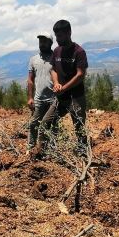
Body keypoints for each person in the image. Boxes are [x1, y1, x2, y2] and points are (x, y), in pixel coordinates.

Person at [43, 19, 89, 155]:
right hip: (61, 96)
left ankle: (83, 154)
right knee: (46, 122)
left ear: (69, 33)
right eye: (56, 36)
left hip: (76, 96)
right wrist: (57, 83)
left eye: (60, 36)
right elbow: (53, 70)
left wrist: (65, 87)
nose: (57, 39)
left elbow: (80, 75)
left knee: (79, 126)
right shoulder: (57, 51)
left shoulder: (79, 52)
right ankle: (44, 151)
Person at [26, 31, 56, 151]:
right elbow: (30, 80)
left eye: (44, 41)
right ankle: (31, 149)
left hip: (53, 99)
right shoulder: (33, 59)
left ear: (50, 43)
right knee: (33, 124)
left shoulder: (56, 58)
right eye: (40, 41)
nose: (42, 44)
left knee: (53, 126)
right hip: (38, 99)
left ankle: (51, 150)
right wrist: (30, 97)